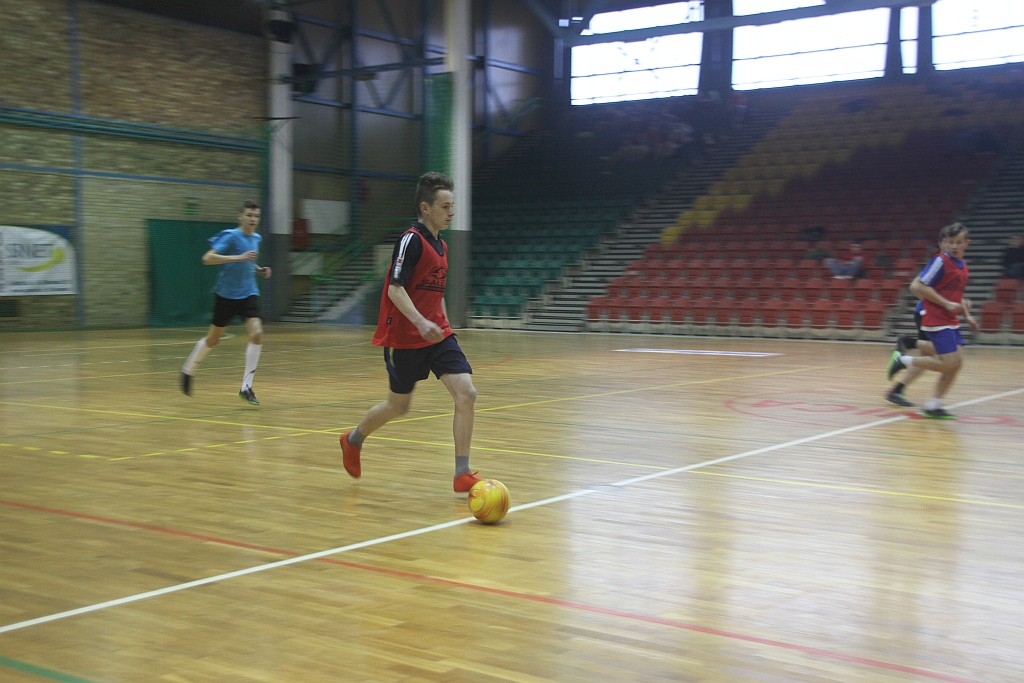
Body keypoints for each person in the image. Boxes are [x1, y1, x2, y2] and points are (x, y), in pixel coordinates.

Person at [339, 172, 483, 493]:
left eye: (452, 206)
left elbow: (435, 292)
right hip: (405, 338)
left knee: (467, 394)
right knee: (398, 406)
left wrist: (442, 325)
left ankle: (462, 473)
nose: (451, 212)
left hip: (437, 336)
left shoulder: (442, 245)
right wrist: (420, 322)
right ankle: (353, 440)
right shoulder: (411, 239)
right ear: (425, 207)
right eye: (445, 206)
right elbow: (395, 289)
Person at [180, 200, 272, 405]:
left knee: (257, 334)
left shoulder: (256, 238)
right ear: (240, 216)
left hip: (248, 293)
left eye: (256, 216)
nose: (253, 219)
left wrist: (259, 270)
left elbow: (248, 260)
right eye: (249, 215)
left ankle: (246, 387)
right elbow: (208, 258)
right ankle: (188, 369)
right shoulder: (230, 236)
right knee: (213, 340)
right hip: (226, 295)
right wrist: (238, 257)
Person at [886, 222, 978, 419]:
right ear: (944, 243)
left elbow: (953, 293)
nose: (954, 246)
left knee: (955, 362)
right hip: (934, 317)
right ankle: (903, 357)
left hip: (950, 319)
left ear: (966, 243)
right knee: (946, 361)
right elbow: (916, 286)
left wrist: (967, 315)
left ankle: (933, 403)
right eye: (950, 242)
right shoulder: (941, 261)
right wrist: (942, 304)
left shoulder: (963, 266)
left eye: (958, 242)